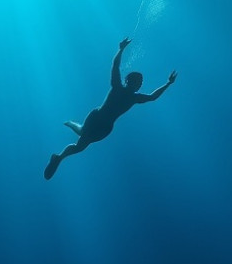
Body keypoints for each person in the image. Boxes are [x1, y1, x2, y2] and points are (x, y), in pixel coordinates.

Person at [44, 37, 177, 180]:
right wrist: (121, 49)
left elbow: (152, 97)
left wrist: (168, 84)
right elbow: (115, 66)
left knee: (82, 136)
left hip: (105, 127)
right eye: (137, 81)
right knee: (81, 144)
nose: (139, 84)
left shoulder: (135, 97)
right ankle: (58, 157)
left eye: (141, 82)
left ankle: (70, 125)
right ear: (129, 80)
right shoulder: (117, 87)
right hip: (97, 118)